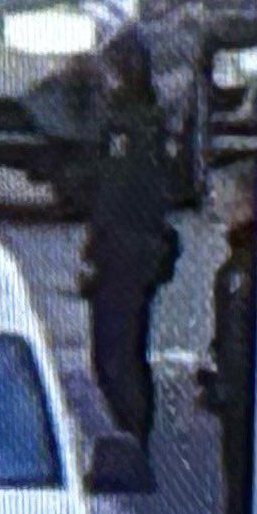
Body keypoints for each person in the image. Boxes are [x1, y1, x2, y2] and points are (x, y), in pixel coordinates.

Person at [76, 44, 177, 455]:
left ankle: (132, 436)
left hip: (125, 255)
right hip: (133, 252)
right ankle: (132, 430)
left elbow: (114, 199)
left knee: (116, 352)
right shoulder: (140, 128)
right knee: (122, 351)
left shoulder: (130, 132)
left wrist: (96, 251)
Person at [195, 188, 257, 514]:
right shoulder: (244, 265)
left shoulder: (246, 271)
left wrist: (228, 389)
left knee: (246, 513)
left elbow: (242, 345)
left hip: (247, 413)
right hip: (244, 407)